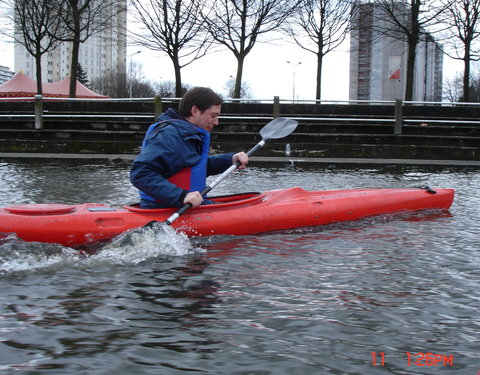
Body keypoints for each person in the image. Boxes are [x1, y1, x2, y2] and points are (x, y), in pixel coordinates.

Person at [130, 87, 248, 209]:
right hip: (164, 208)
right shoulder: (170, 135)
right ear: (195, 111)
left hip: (183, 207)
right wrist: (181, 196)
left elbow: (196, 167)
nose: (216, 122)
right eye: (213, 116)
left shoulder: (187, 133)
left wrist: (230, 159)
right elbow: (140, 173)